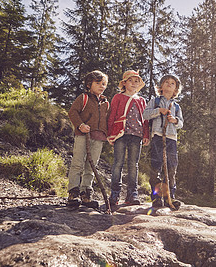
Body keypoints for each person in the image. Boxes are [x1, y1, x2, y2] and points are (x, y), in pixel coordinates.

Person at [67, 70, 109, 209]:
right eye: (98, 83)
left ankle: (86, 194)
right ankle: (73, 194)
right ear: (89, 84)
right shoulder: (83, 98)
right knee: (78, 163)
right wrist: (80, 125)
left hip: (99, 138)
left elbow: (107, 120)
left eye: (104, 84)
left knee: (91, 167)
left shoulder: (105, 103)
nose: (102, 86)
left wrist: (109, 134)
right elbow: (72, 112)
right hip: (83, 135)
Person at [107, 70, 150, 206]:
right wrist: (110, 133)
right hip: (120, 134)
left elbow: (145, 119)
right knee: (118, 163)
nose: (133, 83)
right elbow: (112, 115)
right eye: (130, 80)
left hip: (136, 135)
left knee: (133, 165)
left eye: (136, 81)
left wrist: (146, 134)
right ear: (124, 83)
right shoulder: (118, 97)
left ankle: (132, 194)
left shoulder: (142, 100)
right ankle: (114, 193)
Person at [142, 74, 183, 208]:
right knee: (156, 166)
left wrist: (175, 120)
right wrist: (159, 111)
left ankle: (170, 197)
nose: (169, 85)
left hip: (171, 138)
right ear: (161, 86)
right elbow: (145, 115)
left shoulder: (176, 106)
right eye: (167, 82)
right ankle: (156, 197)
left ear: (176, 89)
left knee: (171, 168)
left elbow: (181, 123)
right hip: (157, 137)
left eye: (173, 84)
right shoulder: (155, 101)